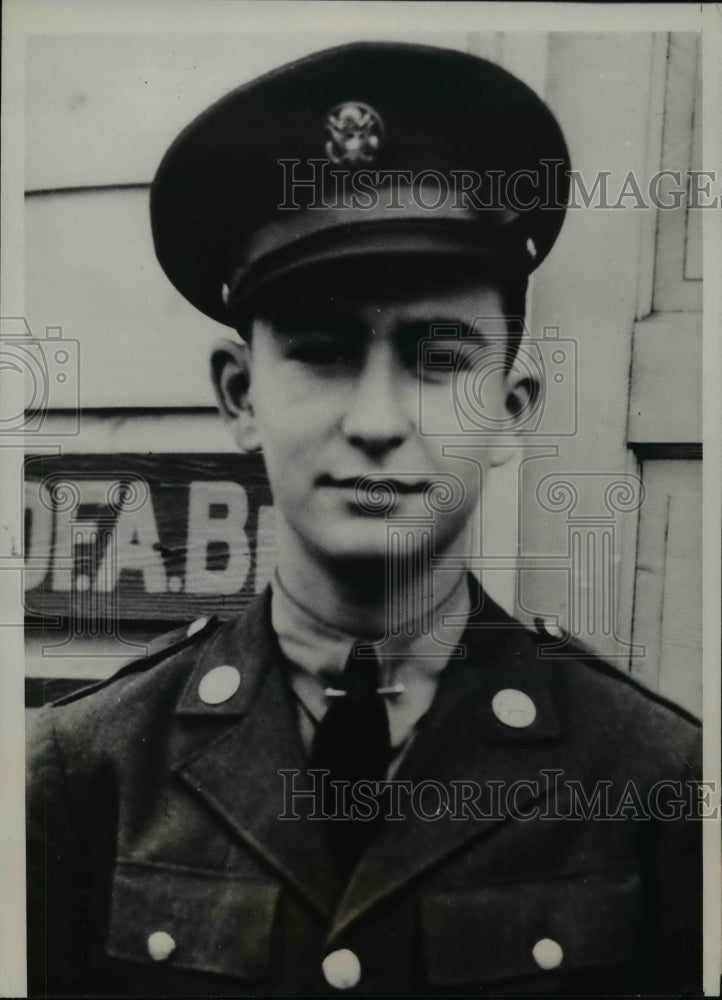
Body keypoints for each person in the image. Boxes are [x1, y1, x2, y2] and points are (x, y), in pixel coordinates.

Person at [26, 41, 701, 996]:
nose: (378, 422)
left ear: (512, 408)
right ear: (239, 395)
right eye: (322, 350)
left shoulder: (652, 779)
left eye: (437, 359)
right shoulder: (81, 773)